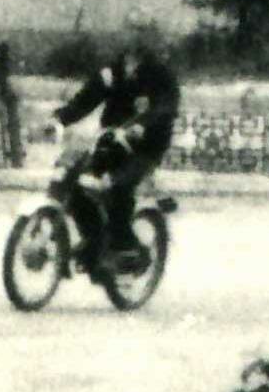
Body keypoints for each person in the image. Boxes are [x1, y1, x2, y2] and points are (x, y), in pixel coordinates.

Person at [54, 30, 181, 269]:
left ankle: (125, 247)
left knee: (117, 186)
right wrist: (61, 119)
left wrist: (142, 125)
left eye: (138, 36)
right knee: (77, 184)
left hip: (146, 148)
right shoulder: (113, 72)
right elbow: (87, 98)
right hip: (111, 143)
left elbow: (166, 106)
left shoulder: (160, 75)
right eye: (129, 34)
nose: (131, 42)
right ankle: (94, 242)